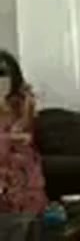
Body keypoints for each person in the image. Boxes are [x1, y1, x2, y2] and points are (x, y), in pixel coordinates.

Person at [0, 49, 49, 215]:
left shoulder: (21, 104)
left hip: (22, 169)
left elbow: (27, 140)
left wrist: (26, 112)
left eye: (3, 75)